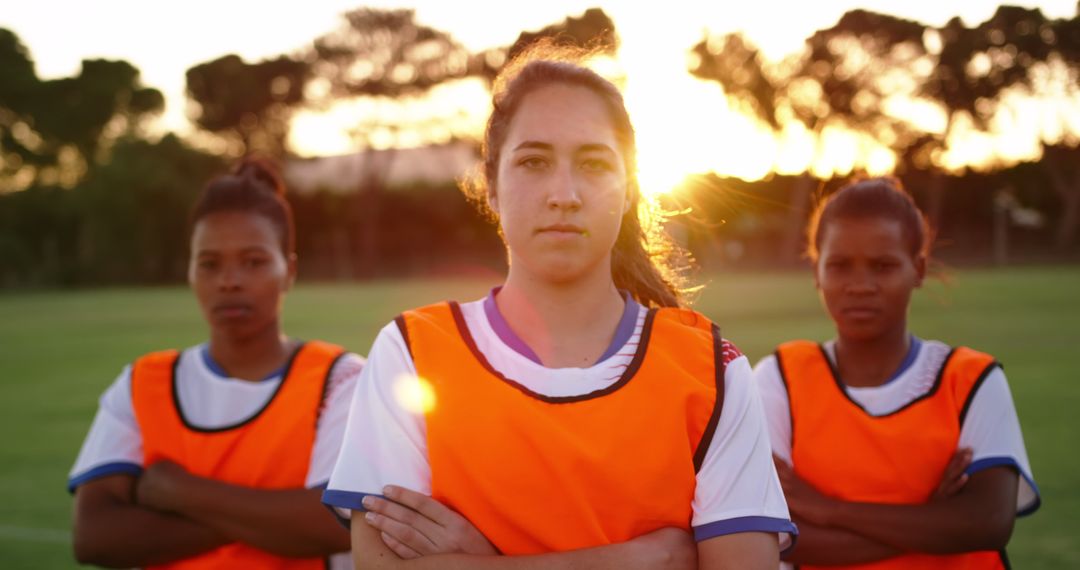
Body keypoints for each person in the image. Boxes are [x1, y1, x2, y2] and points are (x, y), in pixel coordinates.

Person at [322, 43, 795, 569]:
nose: (564, 193)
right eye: (533, 162)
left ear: (630, 189)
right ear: (492, 185)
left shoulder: (710, 368)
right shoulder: (412, 352)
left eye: (593, 164)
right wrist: (641, 559)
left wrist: (481, 561)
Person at [69, 159, 362, 569]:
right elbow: (95, 538)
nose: (229, 280)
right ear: (190, 271)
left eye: (253, 261)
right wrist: (275, 518)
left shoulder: (342, 378)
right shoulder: (142, 383)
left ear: (289, 271)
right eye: (209, 263)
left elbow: (333, 525)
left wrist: (179, 491)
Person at [753, 177, 1040, 569]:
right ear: (816, 271)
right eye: (839, 265)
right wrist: (932, 518)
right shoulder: (778, 379)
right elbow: (774, 539)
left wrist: (826, 508)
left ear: (918, 269)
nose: (860, 285)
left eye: (883, 266)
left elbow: (987, 522)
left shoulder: (972, 380)